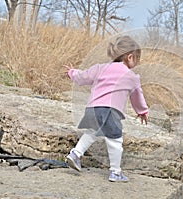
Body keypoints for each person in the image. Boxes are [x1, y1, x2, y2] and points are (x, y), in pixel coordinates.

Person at [64, 35, 149, 182]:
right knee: (115, 139)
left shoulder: (100, 68)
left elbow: (82, 76)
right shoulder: (131, 76)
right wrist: (142, 111)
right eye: (136, 58)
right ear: (130, 57)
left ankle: (75, 154)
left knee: (92, 132)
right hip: (111, 110)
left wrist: (72, 72)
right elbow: (137, 97)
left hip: (93, 108)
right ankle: (115, 172)